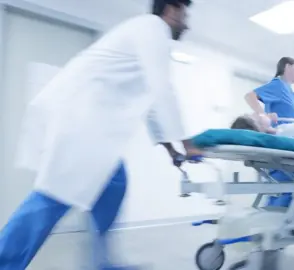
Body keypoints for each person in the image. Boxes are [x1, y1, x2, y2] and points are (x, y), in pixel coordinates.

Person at [0, 0, 201, 269]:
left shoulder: (145, 34)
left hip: (90, 127)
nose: (186, 24)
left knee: (114, 182)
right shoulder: (153, 28)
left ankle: (102, 262)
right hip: (80, 122)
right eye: (184, 15)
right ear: (171, 9)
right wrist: (188, 144)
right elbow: (163, 89)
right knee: (53, 198)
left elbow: (152, 101)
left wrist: (171, 150)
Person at [244, 57, 294, 207]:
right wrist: (262, 114)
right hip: (278, 145)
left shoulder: (293, 95)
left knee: (291, 186)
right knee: (284, 186)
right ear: (288, 67)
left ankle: (277, 226)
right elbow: (250, 96)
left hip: (290, 145)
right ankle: (274, 226)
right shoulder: (277, 85)